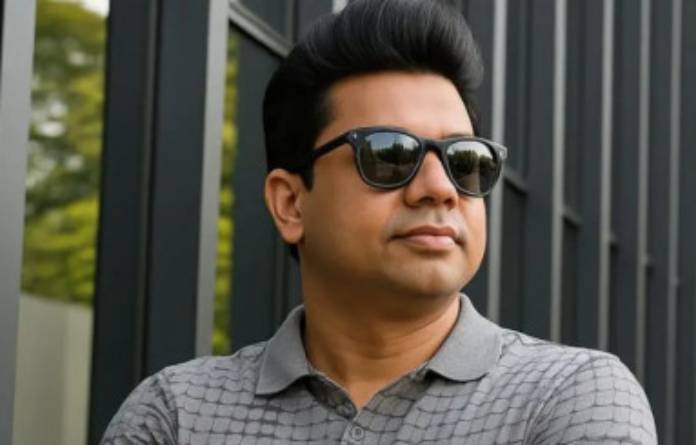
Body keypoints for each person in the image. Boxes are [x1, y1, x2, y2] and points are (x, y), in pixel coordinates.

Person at [101, 0, 657, 443]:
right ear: (291, 203)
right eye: (390, 154)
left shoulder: (570, 397)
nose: (440, 188)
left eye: (465, 159)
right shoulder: (178, 414)